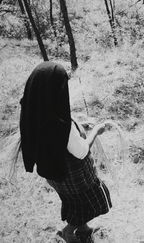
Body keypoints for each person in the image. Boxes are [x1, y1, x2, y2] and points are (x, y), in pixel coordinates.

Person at [19, 61, 111, 243]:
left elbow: (59, 136)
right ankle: (69, 232)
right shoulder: (61, 124)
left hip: (54, 175)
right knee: (89, 203)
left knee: (73, 203)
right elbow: (81, 151)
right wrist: (96, 131)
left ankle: (83, 229)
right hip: (74, 178)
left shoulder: (33, 111)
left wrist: (78, 127)